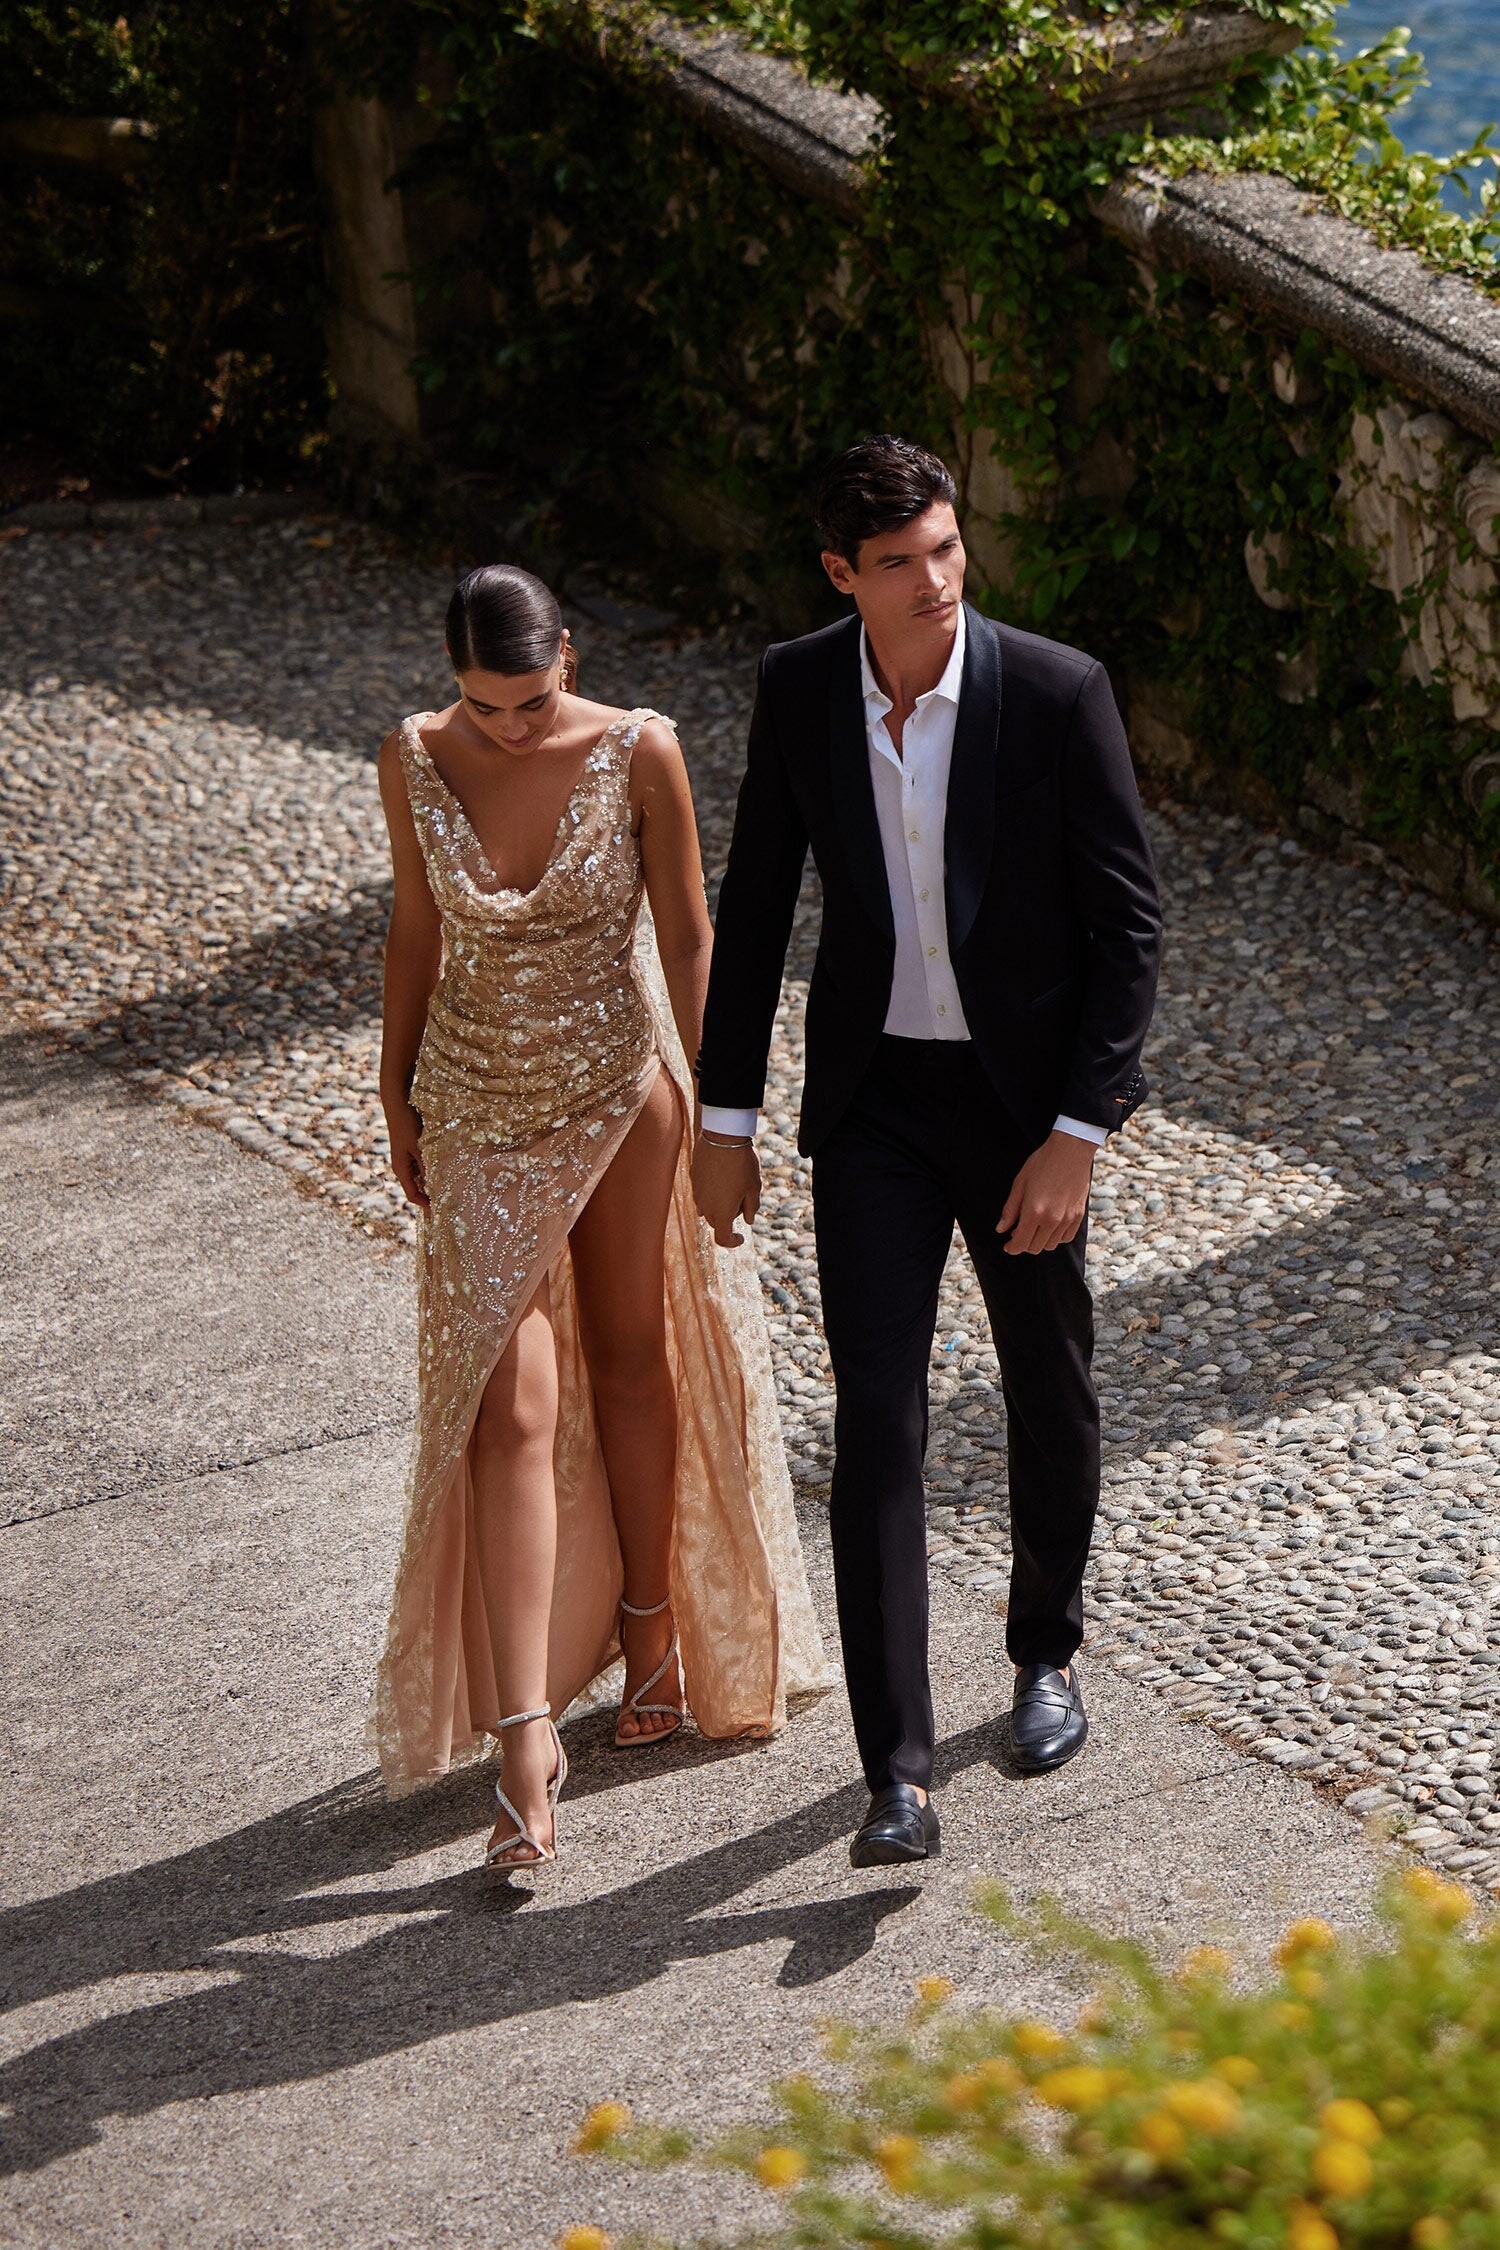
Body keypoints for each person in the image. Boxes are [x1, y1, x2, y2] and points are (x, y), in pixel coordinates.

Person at [693, 436, 1161, 1867]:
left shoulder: (1057, 691)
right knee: (876, 1417)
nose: (936, 581)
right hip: (877, 1108)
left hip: (1025, 1110)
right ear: (842, 573)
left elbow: (1130, 927)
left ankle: (1045, 1652)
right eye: (899, 563)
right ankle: (892, 1774)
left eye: (947, 549)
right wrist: (725, 1121)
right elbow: (756, 907)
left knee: (1048, 1380)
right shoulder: (798, 690)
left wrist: (1078, 1132)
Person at [370, 564, 826, 1866]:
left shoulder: (641, 751)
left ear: (567, 655)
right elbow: (415, 927)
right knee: (501, 1407)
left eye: (529, 701)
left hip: (622, 1094)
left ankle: (653, 1629)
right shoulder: (412, 758)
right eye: (483, 704)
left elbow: (688, 938)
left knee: (631, 1359)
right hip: (473, 1104)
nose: (510, 728)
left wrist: (726, 1119)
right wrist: (394, 1091)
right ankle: (526, 1741)